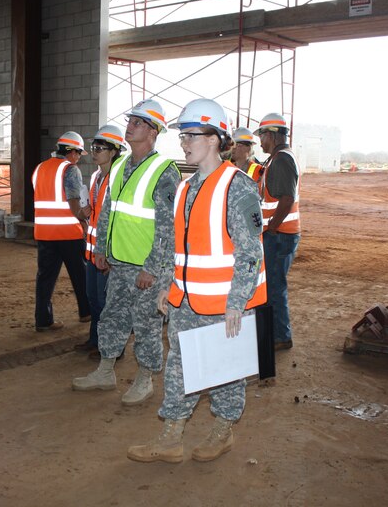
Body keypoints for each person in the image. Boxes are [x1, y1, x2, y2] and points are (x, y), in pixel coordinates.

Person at [126, 98, 266, 464]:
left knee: (224, 370)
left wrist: (237, 302)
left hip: (223, 304)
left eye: (193, 135)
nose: (185, 142)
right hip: (185, 300)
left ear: (217, 139)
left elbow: (250, 252)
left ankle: (223, 430)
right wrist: (167, 287)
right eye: (182, 135)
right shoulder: (187, 188)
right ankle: (171, 436)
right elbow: (178, 245)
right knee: (180, 366)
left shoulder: (238, 187)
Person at [72, 99, 180, 406]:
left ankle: (145, 379)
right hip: (119, 263)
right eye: (130, 120)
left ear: (153, 130)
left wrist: (152, 267)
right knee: (112, 316)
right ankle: (106, 371)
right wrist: (103, 247)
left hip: (146, 268)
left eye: (137, 122)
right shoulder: (120, 166)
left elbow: (167, 226)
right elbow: (108, 210)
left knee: (146, 324)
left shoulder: (165, 171)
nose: (129, 126)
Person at [73, 125, 126, 357]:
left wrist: (109, 254)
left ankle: (113, 347)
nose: (94, 152)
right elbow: (96, 214)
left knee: (108, 304)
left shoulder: (119, 178)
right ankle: (95, 340)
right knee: (94, 300)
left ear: (114, 151)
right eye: (93, 147)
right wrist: (85, 211)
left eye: (100, 148)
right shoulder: (96, 176)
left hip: (108, 254)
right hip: (93, 252)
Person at [32, 132, 92, 332]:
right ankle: (86, 312)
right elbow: (74, 199)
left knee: (45, 278)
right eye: (78, 153)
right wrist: (83, 218)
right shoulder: (70, 169)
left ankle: (43, 320)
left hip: (44, 234)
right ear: (72, 152)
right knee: (79, 274)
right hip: (68, 233)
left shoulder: (40, 168)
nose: (78, 158)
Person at [255, 112, 300, 351]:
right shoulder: (277, 158)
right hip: (280, 234)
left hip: (280, 235)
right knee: (273, 285)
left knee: (273, 287)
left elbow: (286, 198)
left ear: (271, 135)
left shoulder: (281, 159)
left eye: (261, 135)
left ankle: (280, 336)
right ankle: (278, 334)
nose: (260, 141)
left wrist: (271, 228)